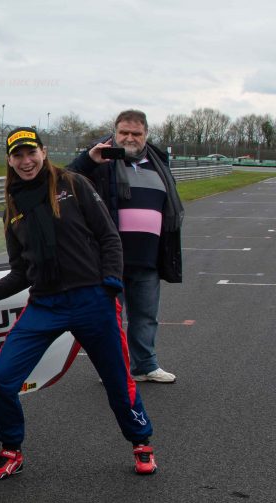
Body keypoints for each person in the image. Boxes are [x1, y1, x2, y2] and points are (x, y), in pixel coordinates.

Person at [0, 127, 157, 479]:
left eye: (31, 152)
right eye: (18, 155)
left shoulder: (74, 185)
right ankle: (11, 450)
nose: (26, 161)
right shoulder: (13, 209)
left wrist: (109, 284)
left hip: (93, 299)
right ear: (9, 160)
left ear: (43, 152)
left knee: (116, 380)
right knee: (1, 379)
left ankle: (141, 442)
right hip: (46, 304)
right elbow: (21, 273)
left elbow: (109, 237)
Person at [68, 110, 183, 384]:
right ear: (115, 133)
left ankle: (145, 366)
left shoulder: (159, 164)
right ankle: (113, 370)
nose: (130, 138)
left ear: (146, 135)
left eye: (136, 133)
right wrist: (88, 159)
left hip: (148, 258)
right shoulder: (99, 162)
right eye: (124, 133)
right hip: (108, 260)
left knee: (145, 317)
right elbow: (64, 182)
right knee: (108, 320)